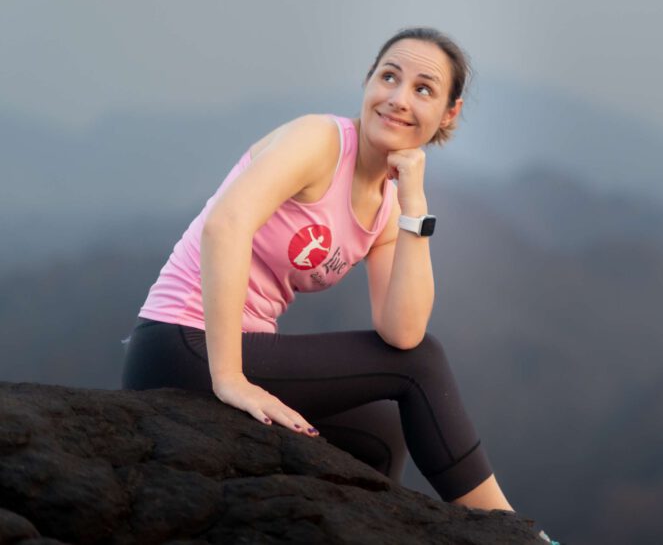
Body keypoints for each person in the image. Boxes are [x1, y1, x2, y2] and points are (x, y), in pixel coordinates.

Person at [120, 27, 560, 543]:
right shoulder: (319, 142)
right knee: (419, 369)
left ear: (449, 114)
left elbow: (401, 332)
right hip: (181, 345)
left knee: (380, 436)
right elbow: (226, 224)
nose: (397, 98)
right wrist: (230, 379)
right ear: (368, 81)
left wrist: (415, 207)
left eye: (423, 89)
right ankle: (515, 535)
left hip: (233, 348)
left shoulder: (390, 202)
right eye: (389, 77)